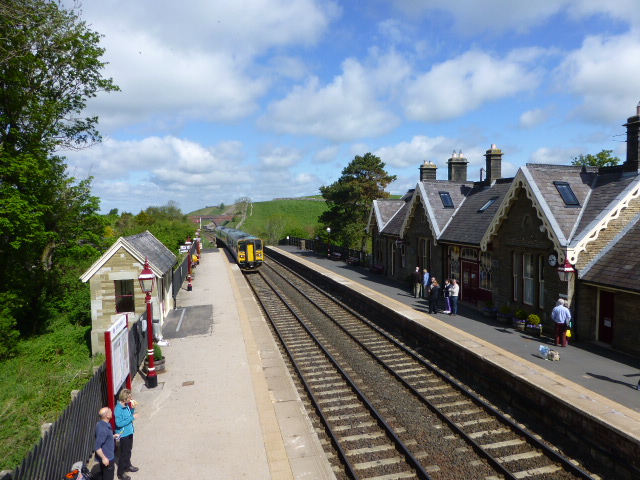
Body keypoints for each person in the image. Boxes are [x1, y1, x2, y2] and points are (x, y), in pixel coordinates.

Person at [115, 388, 140, 480]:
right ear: (124, 399)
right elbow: (119, 423)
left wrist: (132, 409)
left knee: (129, 450)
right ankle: (120, 473)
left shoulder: (126, 406)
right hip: (123, 434)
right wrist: (132, 418)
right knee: (124, 454)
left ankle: (128, 466)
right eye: (129, 398)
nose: (131, 399)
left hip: (129, 431)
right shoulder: (118, 409)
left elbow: (130, 415)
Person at [95, 407, 117, 480]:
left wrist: (112, 436)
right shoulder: (103, 429)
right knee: (108, 477)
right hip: (108, 458)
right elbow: (97, 447)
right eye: (110, 411)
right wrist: (104, 458)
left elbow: (105, 438)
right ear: (107, 415)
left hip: (108, 456)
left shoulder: (101, 423)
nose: (112, 412)